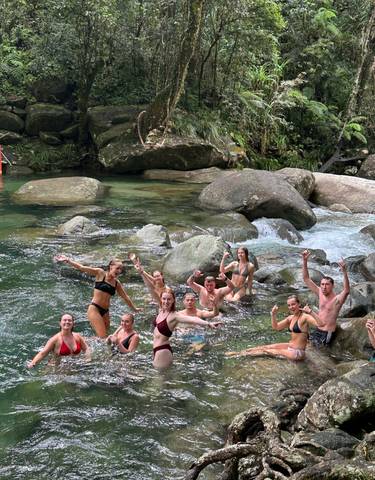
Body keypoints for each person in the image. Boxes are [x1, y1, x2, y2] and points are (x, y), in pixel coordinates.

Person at [54, 255, 140, 338]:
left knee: (105, 335)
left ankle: (84, 341)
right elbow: (82, 268)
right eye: (117, 268)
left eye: (121, 269)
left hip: (105, 312)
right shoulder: (100, 273)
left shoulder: (117, 283)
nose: (119, 271)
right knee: (103, 337)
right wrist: (68, 261)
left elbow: (125, 297)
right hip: (95, 309)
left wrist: (134, 309)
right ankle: (80, 341)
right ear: (111, 267)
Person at [225, 295, 323, 361]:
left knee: (265, 351)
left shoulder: (305, 317)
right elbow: (276, 327)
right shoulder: (290, 318)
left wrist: (311, 312)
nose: (291, 307)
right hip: (290, 346)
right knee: (265, 347)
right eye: (289, 305)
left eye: (293, 304)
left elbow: (321, 324)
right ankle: (239, 352)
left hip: (297, 353)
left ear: (299, 304)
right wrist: (273, 315)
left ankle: (238, 355)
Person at [153, 288, 222, 369]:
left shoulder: (175, 315)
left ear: (173, 301)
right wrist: (143, 274)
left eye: (169, 299)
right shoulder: (163, 311)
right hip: (162, 346)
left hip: (165, 349)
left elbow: (194, 319)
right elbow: (152, 289)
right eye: (164, 299)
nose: (166, 301)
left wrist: (208, 323)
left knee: (159, 379)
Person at [302, 250, 350, 347]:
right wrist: (304, 260)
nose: (324, 287)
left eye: (327, 285)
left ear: (332, 286)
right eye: (322, 284)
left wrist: (344, 271)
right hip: (317, 328)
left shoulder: (337, 300)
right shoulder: (320, 292)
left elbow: (346, 290)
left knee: (318, 351)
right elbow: (306, 279)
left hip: (327, 333)